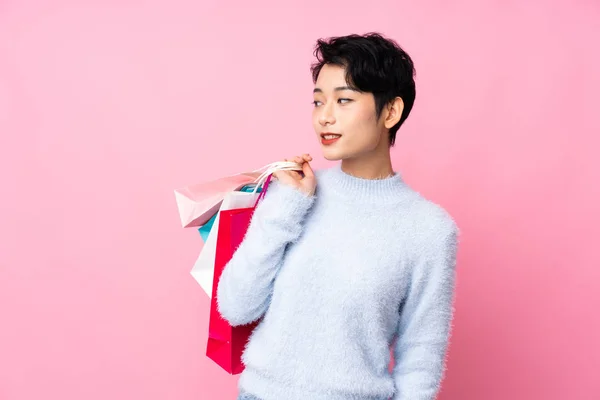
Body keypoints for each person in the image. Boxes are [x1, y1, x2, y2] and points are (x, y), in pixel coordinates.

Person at [217, 32, 459, 400]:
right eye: (318, 102)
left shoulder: (429, 229)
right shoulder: (294, 195)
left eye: (343, 100)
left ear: (390, 111)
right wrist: (285, 208)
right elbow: (236, 307)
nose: (324, 117)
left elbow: (421, 360)